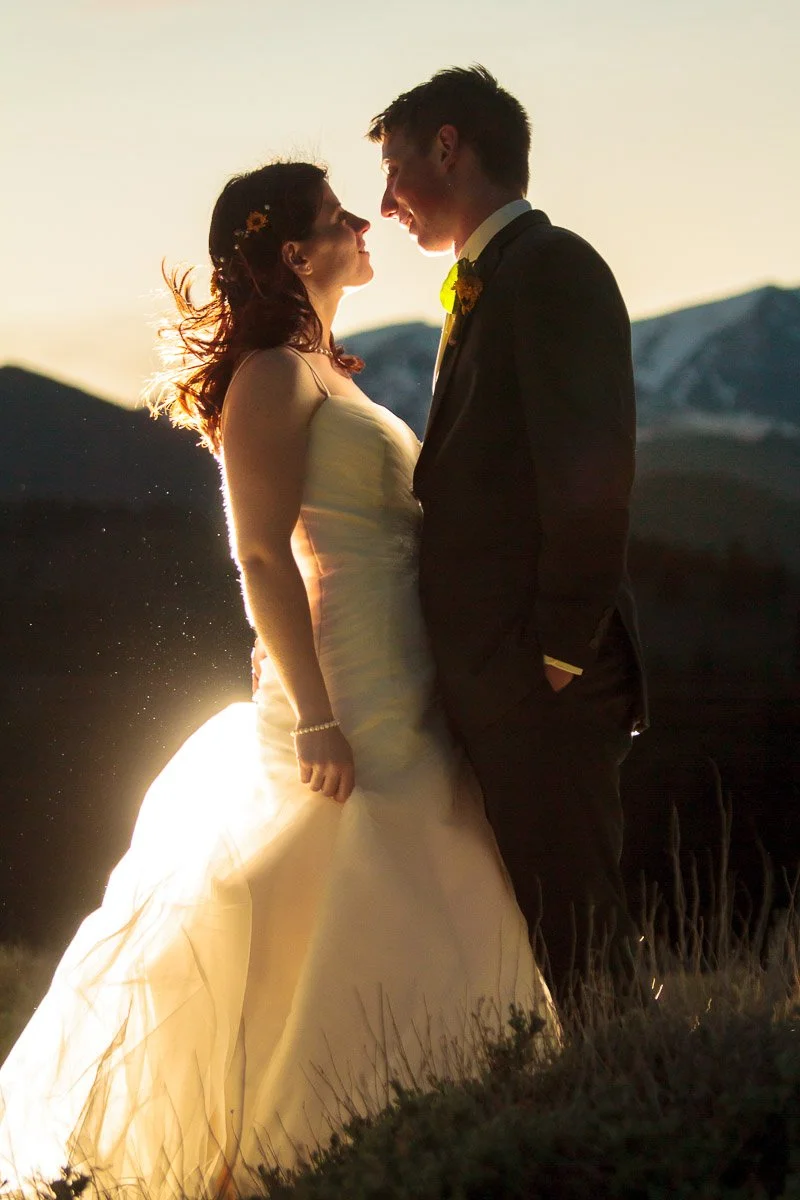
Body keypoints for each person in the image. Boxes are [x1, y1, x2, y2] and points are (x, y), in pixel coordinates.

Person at [0, 162, 557, 1198]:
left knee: (420, 859)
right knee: (380, 857)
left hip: (402, 667)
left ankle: (429, 1115)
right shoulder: (267, 374)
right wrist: (315, 716)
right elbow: (258, 554)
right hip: (342, 676)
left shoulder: (325, 371)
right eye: (339, 215)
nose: (361, 222)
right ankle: (314, 1143)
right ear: (297, 255)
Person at [366, 66, 649, 1006]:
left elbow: (591, 471)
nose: (386, 200)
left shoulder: (553, 266)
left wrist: (560, 652)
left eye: (395, 164)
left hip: (545, 683)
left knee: (579, 936)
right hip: (501, 683)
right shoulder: (490, 280)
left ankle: (636, 1121)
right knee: (536, 934)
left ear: (449, 145)